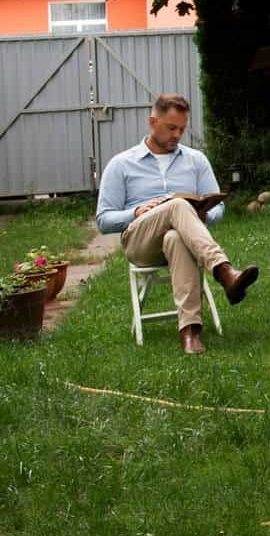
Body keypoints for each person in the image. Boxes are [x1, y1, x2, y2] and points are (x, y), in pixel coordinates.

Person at [95, 94, 259, 355]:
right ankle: (224, 272)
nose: (177, 134)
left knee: (176, 236)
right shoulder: (121, 164)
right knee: (177, 204)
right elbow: (103, 220)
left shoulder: (196, 160)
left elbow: (218, 207)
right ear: (152, 122)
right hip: (140, 242)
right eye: (171, 128)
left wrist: (204, 215)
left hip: (183, 237)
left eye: (182, 129)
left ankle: (190, 332)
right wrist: (136, 212)